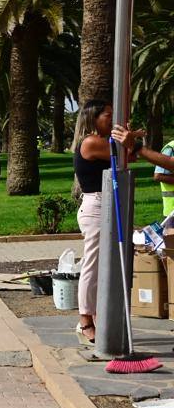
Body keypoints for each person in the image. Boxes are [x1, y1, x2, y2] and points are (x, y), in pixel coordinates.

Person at [70, 100, 115, 344]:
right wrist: (130, 140)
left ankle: (97, 315)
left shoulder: (98, 140)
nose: (112, 118)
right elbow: (124, 152)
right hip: (96, 206)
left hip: (106, 205)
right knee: (93, 265)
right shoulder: (91, 142)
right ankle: (85, 320)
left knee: (104, 266)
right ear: (93, 118)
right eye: (107, 115)